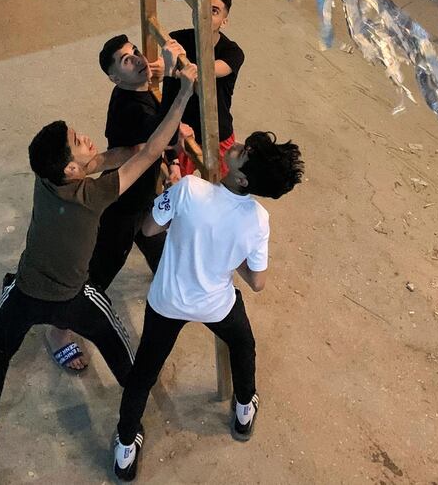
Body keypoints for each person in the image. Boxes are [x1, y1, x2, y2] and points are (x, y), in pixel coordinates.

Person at [0, 45, 197, 464]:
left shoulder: (45, 180)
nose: (85, 138)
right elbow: (149, 152)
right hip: (74, 299)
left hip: (25, 292)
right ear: (73, 171)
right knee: (125, 359)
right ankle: (130, 427)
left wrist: (115, 153)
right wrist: (183, 94)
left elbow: (110, 156)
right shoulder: (95, 194)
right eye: (76, 142)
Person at [112, 131, 304, 481]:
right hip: (215, 305)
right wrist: (233, 258)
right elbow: (258, 282)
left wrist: (172, 195)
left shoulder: (189, 189)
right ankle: (244, 408)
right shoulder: (258, 219)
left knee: (143, 373)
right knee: (243, 343)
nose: (238, 146)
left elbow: (150, 229)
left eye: (243, 151)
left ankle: (125, 448)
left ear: (242, 177)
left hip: (167, 301)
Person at [83, 33, 186, 298]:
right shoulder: (131, 108)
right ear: (115, 78)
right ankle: (63, 325)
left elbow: (164, 139)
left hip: (144, 196)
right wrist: (174, 75)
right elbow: (168, 135)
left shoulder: (139, 89)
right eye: (127, 61)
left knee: (154, 240)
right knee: (103, 269)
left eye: (135, 52)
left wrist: (173, 162)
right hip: (124, 203)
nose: (140, 60)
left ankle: (170, 279)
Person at [161, 0, 244, 177]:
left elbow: (212, 70)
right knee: (172, 184)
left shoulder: (232, 52)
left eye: (214, 11)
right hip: (182, 131)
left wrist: (177, 66)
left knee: (224, 189)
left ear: (224, 21)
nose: (205, 15)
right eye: (201, 8)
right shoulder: (178, 39)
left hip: (218, 133)